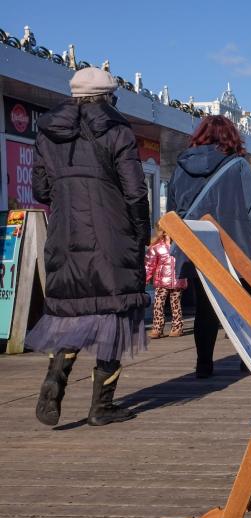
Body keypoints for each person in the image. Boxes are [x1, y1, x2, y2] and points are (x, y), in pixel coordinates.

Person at [27, 68, 150, 427]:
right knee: (114, 314)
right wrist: (141, 232)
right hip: (113, 232)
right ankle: (102, 406)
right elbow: (135, 191)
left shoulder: (48, 132)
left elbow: (40, 189)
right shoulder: (117, 129)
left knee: (74, 313)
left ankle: (55, 379)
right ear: (108, 96)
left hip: (66, 232)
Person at [167, 115, 251, 378]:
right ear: (231, 137)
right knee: (246, 306)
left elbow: (173, 210)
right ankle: (247, 360)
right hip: (238, 247)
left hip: (199, 247)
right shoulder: (239, 166)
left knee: (206, 308)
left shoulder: (181, 167)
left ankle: (203, 363)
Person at [145, 228, 188, 339]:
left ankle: (177, 327)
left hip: (177, 279)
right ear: (163, 231)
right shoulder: (157, 247)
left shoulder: (181, 245)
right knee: (158, 304)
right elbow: (149, 265)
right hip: (161, 281)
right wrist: (145, 279)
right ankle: (157, 328)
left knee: (176, 304)